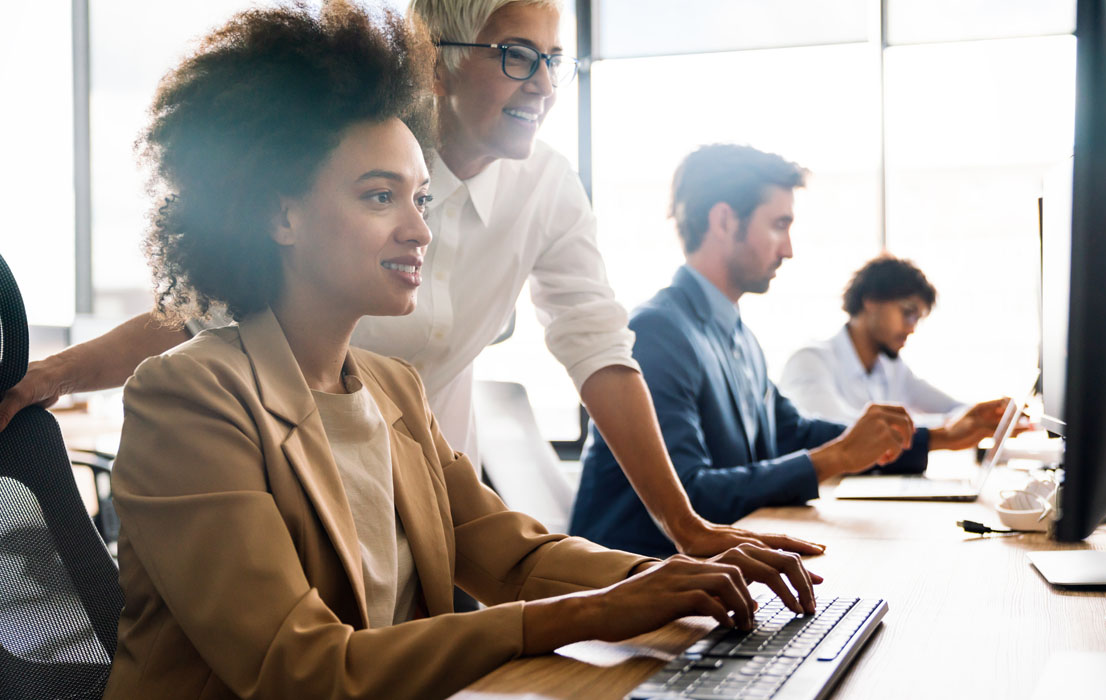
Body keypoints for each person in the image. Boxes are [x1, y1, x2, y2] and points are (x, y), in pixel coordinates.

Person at [103, 8, 819, 699]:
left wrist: (672, 577)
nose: (420, 229)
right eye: (380, 196)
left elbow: (515, 557)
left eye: (420, 197)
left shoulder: (391, 390)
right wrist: (590, 613)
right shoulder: (189, 399)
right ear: (279, 215)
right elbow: (299, 667)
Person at [571, 145, 928, 557]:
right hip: (635, 589)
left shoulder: (739, 335)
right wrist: (838, 457)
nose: (788, 248)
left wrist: (937, 439)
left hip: (710, 577)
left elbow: (792, 434)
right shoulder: (656, 332)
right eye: (779, 225)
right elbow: (690, 500)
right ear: (724, 220)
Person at [778, 254, 1008, 447]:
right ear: (871, 301)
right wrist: (947, 428)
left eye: (917, 319)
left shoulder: (892, 368)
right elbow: (836, 435)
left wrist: (990, 416)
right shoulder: (810, 361)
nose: (911, 328)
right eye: (907, 313)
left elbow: (953, 409)